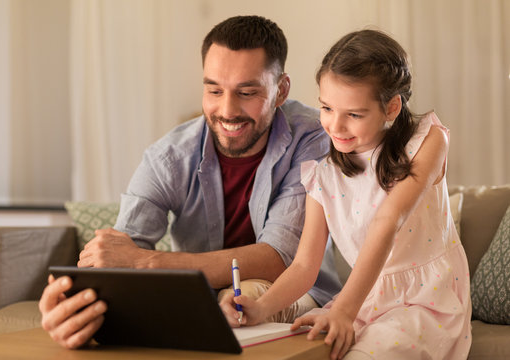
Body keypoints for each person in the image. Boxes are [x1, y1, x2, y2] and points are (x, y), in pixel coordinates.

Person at [39, 15, 342, 349]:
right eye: (214, 90)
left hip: (292, 291)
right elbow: (120, 252)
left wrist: (147, 262)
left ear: (281, 90)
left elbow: (278, 258)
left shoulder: (315, 136)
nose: (227, 110)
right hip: (194, 301)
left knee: (244, 298)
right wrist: (72, 302)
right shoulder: (168, 156)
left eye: (246, 92)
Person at [220, 29, 472, 360]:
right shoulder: (322, 176)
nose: (335, 126)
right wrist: (260, 307)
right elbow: (304, 266)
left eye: (353, 114)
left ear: (392, 107)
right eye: (326, 108)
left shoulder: (427, 141)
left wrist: (345, 311)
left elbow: (389, 219)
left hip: (426, 300)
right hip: (363, 297)